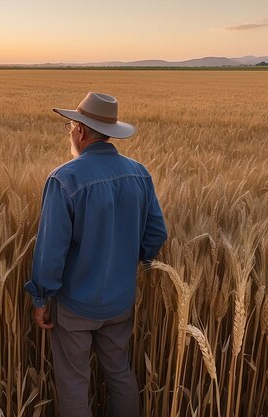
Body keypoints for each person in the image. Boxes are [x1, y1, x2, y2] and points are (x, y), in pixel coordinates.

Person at [24, 92, 168, 417]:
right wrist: (131, 260)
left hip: (76, 305)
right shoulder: (139, 173)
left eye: (70, 127)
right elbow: (157, 233)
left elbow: (51, 251)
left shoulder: (64, 179)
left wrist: (41, 299)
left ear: (80, 131)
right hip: (120, 300)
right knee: (119, 372)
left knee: (75, 383)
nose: (70, 133)